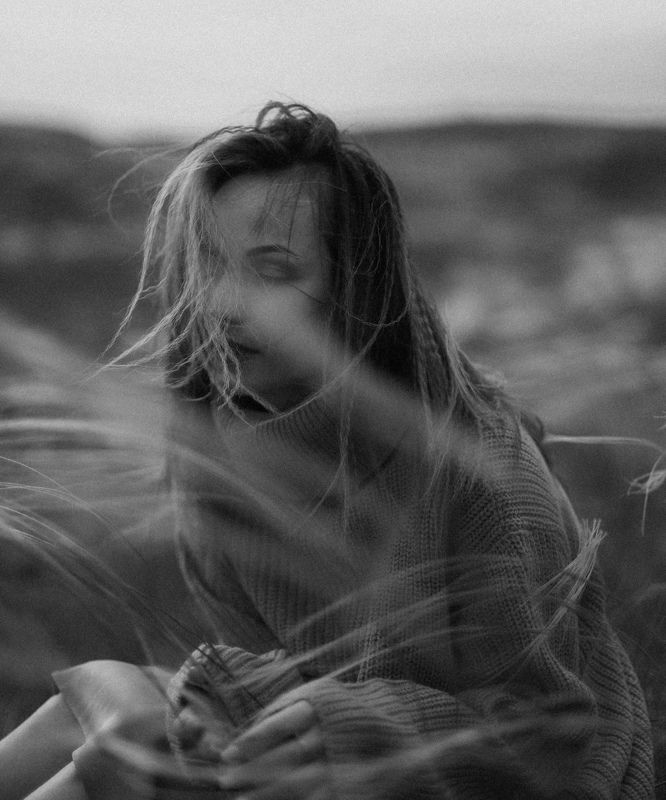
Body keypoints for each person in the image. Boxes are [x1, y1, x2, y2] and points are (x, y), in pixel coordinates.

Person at [0, 102, 655, 798]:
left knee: (124, 749)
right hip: (321, 773)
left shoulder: (482, 473)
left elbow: (548, 741)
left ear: (354, 290)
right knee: (96, 717)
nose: (220, 305)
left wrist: (357, 727)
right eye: (208, 265)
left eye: (273, 271)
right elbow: (282, 679)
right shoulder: (215, 451)